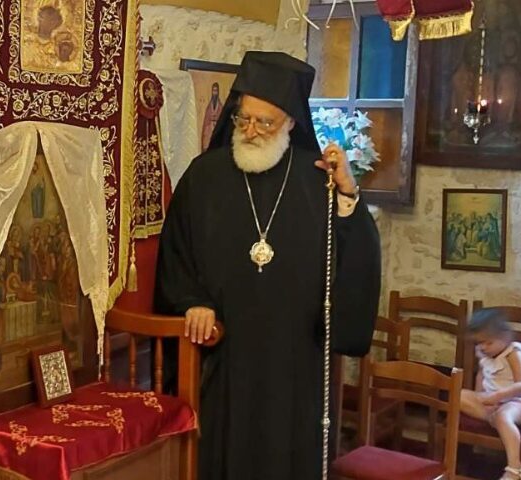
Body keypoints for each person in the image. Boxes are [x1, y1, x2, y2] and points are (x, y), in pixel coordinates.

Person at [153, 51, 380, 479]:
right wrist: (192, 302)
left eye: (265, 122)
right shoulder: (204, 177)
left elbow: (354, 258)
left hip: (293, 358)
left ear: (291, 122)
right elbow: (176, 255)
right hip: (224, 358)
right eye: (243, 119)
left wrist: (349, 194)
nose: (251, 131)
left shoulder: (319, 181)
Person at [460, 308, 521, 480]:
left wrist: (497, 397)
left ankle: (515, 468)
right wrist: (479, 395)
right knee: (458, 396)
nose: (482, 347)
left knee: (504, 416)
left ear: (505, 337)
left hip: (520, 402)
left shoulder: (514, 352)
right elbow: (481, 374)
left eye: (488, 343)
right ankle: (494, 418)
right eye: (478, 343)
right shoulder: (483, 353)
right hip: (494, 402)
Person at [200, 82, 223, 152]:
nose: (214, 93)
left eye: (216, 91)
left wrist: (216, 120)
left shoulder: (220, 106)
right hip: (209, 129)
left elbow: (221, 119)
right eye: (213, 91)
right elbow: (206, 121)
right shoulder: (209, 107)